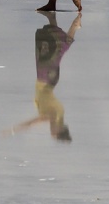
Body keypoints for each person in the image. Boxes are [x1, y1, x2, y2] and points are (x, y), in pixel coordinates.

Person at [6, 11, 81, 141]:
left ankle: (54, 19)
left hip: (48, 80)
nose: (51, 131)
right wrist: (14, 130)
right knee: (55, 51)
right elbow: (31, 123)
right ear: (60, 129)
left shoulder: (58, 116)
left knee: (56, 51)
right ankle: (74, 25)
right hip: (46, 78)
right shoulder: (53, 117)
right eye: (54, 132)